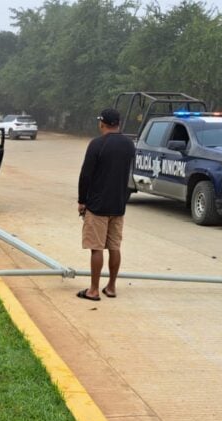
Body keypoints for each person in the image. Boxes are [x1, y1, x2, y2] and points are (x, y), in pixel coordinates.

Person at [76, 108, 135, 301]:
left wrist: (82, 201)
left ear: (103, 123)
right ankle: (111, 287)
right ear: (118, 124)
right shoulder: (129, 145)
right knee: (115, 246)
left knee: (97, 248)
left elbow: (86, 175)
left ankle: (93, 290)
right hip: (118, 204)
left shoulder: (97, 144)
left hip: (98, 205)